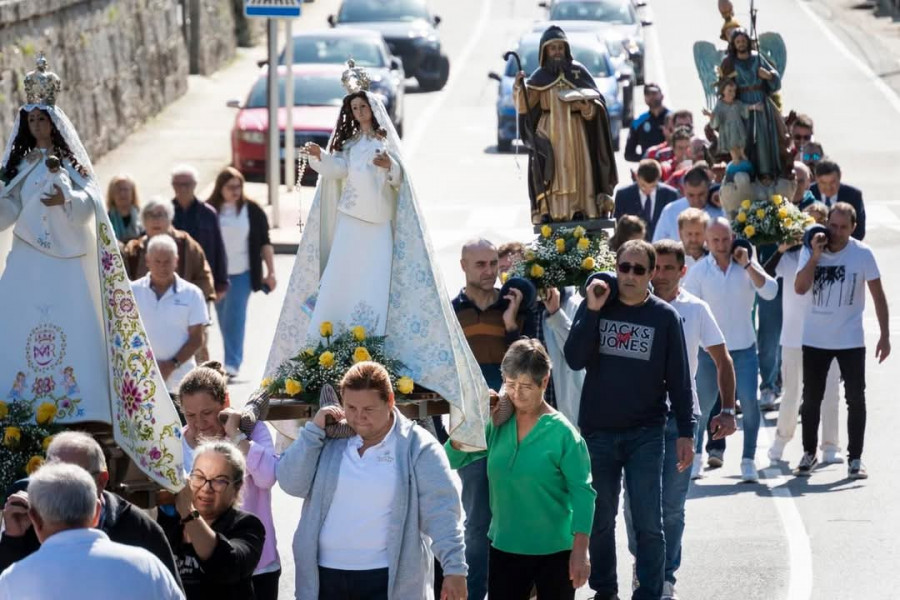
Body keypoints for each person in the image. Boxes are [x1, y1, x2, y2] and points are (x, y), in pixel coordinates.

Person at [264, 62, 488, 458]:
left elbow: (400, 177)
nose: (358, 114)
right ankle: (332, 336)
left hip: (377, 225)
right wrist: (318, 158)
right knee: (340, 280)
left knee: (371, 283)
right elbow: (336, 171)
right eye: (353, 109)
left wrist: (391, 169)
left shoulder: (384, 146)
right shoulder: (350, 148)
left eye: (363, 107)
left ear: (372, 108)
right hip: (351, 221)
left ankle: (371, 339)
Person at [0, 56, 184, 490]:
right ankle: (15, 397)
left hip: (65, 266)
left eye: (45, 121)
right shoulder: (22, 168)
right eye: (34, 122)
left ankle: (80, 403)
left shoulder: (71, 167)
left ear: (55, 124)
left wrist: (64, 200)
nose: (40, 128)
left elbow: (90, 208)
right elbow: (8, 209)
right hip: (28, 262)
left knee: (75, 332)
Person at [565, 239, 695, 600]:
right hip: (599, 432)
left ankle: (650, 592)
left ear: (652, 273)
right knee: (600, 519)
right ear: (615, 267)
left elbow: (680, 381)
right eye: (624, 267)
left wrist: (687, 432)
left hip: (646, 434)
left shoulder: (665, 317)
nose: (630, 276)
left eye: (639, 270)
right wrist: (591, 310)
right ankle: (605, 590)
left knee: (648, 522)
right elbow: (574, 358)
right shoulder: (598, 305)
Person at [276, 361, 469, 599]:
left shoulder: (418, 446)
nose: (359, 417)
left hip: (387, 581)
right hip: (323, 578)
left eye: (368, 409)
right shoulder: (327, 437)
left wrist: (455, 569)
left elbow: (442, 514)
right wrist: (313, 430)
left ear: (390, 401)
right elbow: (289, 482)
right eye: (351, 407)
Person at [620, 240, 735, 599]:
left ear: (683, 271)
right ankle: (644, 567)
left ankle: (666, 573)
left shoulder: (695, 310)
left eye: (672, 268)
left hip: (680, 418)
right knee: (635, 501)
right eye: (659, 267)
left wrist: (728, 410)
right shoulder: (632, 305)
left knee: (671, 503)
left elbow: (723, 360)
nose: (663, 275)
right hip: (636, 417)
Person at [445, 339, 595, 600]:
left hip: (555, 551)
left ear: (544, 382)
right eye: (510, 385)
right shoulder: (497, 424)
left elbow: (583, 493)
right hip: (504, 547)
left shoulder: (564, 435)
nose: (516, 394)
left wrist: (581, 549)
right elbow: (451, 459)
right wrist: (475, 420)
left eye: (525, 386)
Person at [451, 237, 537, 599]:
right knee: (478, 520)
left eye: (493, 263)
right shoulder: (450, 310)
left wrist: (511, 324)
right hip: (470, 426)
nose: (490, 271)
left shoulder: (514, 304)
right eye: (480, 265)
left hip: (514, 424)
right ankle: (476, 593)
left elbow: (533, 364)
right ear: (464, 267)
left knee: (517, 513)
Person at [0, 431, 181, 587]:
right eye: (52, 477)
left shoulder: (140, 530)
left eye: (75, 479)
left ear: (101, 481)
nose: (59, 488)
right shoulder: (28, 520)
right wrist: (13, 539)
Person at [793, 203, 890, 479]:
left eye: (843, 227)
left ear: (853, 228)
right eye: (832, 225)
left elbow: (878, 296)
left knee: (856, 398)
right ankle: (809, 453)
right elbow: (800, 288)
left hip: (849, 339)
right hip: (815, 338)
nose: (836, 232)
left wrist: (884, 335)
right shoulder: (812, 247)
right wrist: (814, 256)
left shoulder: (862, 254)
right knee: (811, 398)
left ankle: (855, 458)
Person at [683, 217, 778, 482]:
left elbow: (770, 291)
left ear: (732, 236)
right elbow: (688, 306)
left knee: (749, 403)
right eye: (715, 240)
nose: (722, 245)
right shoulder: (700, 271)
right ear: (707, 241)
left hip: (744, 350)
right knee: (701, 407)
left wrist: (747, 264)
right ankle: (697, 458)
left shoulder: (746, 265)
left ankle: (748, 459)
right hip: (709, 352)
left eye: (725, 239)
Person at [176, 363, 281, 598]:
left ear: (225, 403)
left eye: (207, 413)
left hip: (258, 564)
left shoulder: (252, 432)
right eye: (190, 415)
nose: (199, 423)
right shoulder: (175, 443)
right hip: (201, 567)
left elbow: (267, 477)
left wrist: (236, 435)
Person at [514, 25, 618, 224]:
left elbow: (597, 109)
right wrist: (519, 87)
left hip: (576, 131)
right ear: (545, 51)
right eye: (552, 49)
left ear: (566, 49)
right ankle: (552, 212)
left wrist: (586, 108)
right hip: (549, 132)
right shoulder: (539, 77)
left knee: (580, 171)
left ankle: (581, 208)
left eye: (560, 48)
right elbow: (524, 106)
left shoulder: (578, 72)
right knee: (553, 173)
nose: (557, 53)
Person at [763, 205, 842, 464]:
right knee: (792, 392)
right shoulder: (792, 256)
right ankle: (781, 442)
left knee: (829, 392)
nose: (816, 230)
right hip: (794, 337)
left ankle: (830, 446)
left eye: (821, 224)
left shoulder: (835, 257)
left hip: (827, 337)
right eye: (810, 224)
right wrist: (782, 248)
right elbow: (765, 275)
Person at [158, 441, 265, 600]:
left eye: (219, 480)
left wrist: (188, 513)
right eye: (199, 477)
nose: (207, 488)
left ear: (237, 487)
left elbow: (227, 564)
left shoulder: (247, 525)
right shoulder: (168, 523)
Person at [206, 167, 276, 378]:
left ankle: (232, 363)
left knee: (235, 316)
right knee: (222, 317)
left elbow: (265, 242)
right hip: (217, 274)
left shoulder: (252, 210)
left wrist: (270, 272)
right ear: (221, 188)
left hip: (242, 272)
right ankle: (229, 358)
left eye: (239, 186)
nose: (235, 191)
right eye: (230, 187)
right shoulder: (209, 210)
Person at [131, 235, 209, 394]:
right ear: (147, 261)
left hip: (182, 381)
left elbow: (197, 339)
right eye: (157, 262)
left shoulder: (192, 294)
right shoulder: (131, 292)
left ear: (176, 261)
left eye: (167, 261)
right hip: (140, 380)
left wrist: (171, 365)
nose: (162, 267)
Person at [719, 28, 790, 179]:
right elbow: (722, 84)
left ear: (748, 42)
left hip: (760, 100)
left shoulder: (757, 58)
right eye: (737, 41)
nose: (741, 44)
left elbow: (775, 79)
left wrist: (768, 76)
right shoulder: (729, 62)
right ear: (733, 44)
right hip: (741, 103)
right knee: (743, 138)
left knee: (764, 136)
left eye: (743, 41)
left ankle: (766, 171)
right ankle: (747, 170)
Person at [123, 198, 216, 303]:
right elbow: (124, 283)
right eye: (150, 215)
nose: (155, 220)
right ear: (143, 221)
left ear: (170, 219)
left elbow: (204, 277)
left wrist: (189, 301)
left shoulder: (186, 245)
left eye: (161, 214)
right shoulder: (134, 249)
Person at [170, 164, 229, 298]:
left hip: (201, 280)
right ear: (173, 186)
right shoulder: (165, 213)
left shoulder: (208, 213)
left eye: (187, 184)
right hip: (171, 282)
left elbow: (218, 249)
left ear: (195, 185)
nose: (183, 188)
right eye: (179, 184)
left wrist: (221, 284)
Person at [653, 166, 724, 242]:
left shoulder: (721, 209)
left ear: (709, 189)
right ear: (684, 191)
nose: (696, 200)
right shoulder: (670, 211)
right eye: (691, 195)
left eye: (701, 194)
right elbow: (657, 244)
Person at [703, 79, 761, 172]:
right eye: (729, 90)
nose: (732, 93)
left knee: (741, 144)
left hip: (738, 127)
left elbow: (744, 108)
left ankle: (742, 156)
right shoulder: (720, 105)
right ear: (723, 91)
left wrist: (754, 107)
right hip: (727, 130)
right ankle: (735, 162)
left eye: (734, 91)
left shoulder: (737, 103)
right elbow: (716, 116)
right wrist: (709, 114)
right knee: (732, 146)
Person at [613, 158, 679, 239]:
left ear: (659, 179)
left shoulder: (670, 195)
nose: (647, 190)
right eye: (643, 186)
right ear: (636, 177)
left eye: (652, 186)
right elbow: (618, 226)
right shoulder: (623, 195)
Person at [809, 160, 866, 240]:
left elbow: (859, 231)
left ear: (840, 178)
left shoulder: (853, 195)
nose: (828, 187)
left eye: (832, 182)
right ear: (816, 179)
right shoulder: (808, 193)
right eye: (823, 183)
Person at [624, 83, 669, 162]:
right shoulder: (638, 122)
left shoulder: (673, 118)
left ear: (662, 95)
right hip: (650, 169)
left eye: (654, 93)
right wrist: (647, 158)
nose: (651, 97)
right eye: (647, 94)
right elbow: (628, 154)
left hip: (670, 166)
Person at [106, 173, 143, 245]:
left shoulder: (143, 215)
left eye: (125, 189)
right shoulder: (107, 218)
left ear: (133, 192)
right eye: (118, 190)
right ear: (112, 194)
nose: (122, 193)